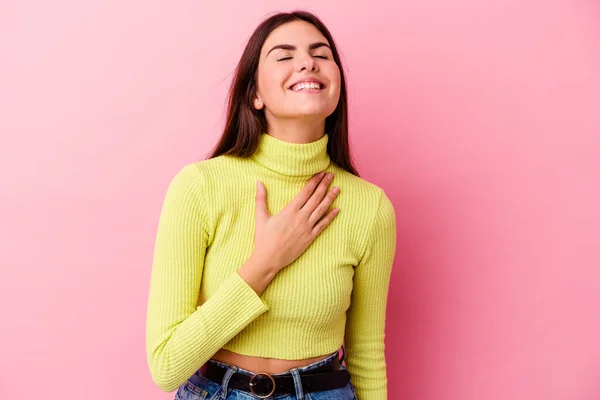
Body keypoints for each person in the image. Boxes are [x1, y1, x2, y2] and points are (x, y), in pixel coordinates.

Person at [145, 10, 397, 400]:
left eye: (321, 54)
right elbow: (166, 366)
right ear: (254, 94)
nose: (307, 62)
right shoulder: (200, 187)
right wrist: (266, 261)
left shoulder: (370, 207)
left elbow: (365, 355)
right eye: (284, 55)